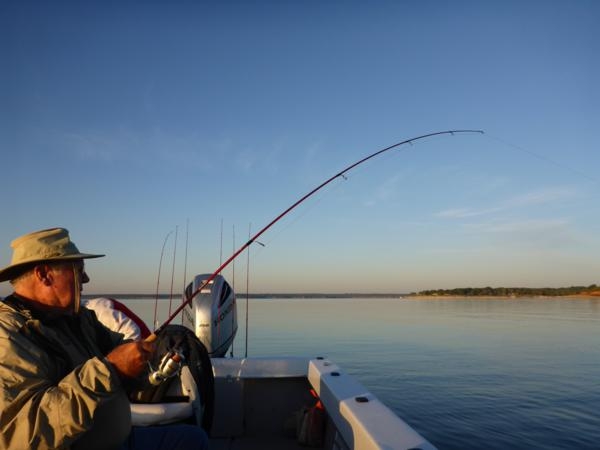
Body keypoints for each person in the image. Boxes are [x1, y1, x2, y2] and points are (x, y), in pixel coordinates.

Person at [0, 228, 209, 450]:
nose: (86, 279)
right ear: (44, 274)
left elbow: (122, 352)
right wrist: (109, 370)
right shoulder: (8, 337)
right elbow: (22, 435)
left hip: (119, 439)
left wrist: (156, 349)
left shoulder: (78, 319)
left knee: (193, 439)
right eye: (78, 270)